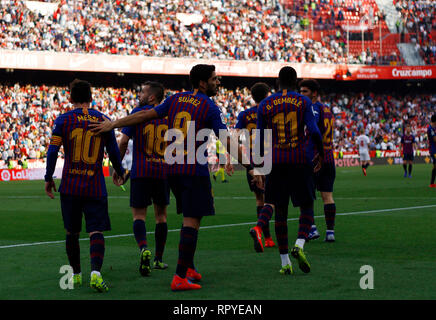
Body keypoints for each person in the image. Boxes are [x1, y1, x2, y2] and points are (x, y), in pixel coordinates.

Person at [89, 64, 260, 291]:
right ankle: (180, 277)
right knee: (192, 220)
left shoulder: (175, 99)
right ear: (202, 82)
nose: (218, 82)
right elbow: (226, 140)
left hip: (172, 170)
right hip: (192, 169)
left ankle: (188, 267)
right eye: (214, 79)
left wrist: (114, 123)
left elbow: (143, 115)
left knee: (189, 216)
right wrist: (251, 166)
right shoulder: (209, 107)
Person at [44, 79, 128, 293]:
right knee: (96, 230)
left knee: (71, 232)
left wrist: (48, 177)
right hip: (95, 185)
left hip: (70, 184)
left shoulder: (63, 121)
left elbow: (53, 151)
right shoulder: (103, 120)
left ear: (71, 98)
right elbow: (113, 152)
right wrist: (120, 172)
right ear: (91, 98)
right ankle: (96, 274)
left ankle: (76, 275)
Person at [250, 66, 324, 275]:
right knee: (307, 206)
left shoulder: (265, 104)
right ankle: (299, 244)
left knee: (279, 211)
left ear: (278, 81)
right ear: (296, 81)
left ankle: (284, 263)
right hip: (300, 159)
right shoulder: (303, 101)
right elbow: (315, 131)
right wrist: (320, 153)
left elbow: (260, 138)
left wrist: (258, 166)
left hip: (276, 161)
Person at [115, 81, 170, 276]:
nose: (140, 95)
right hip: (162, 172)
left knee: (139, 216)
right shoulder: (168, 116)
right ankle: (158, 259)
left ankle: (143, 248)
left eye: (143, 92)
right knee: (161, 216)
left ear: (152, 97)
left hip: (141, 172)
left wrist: (118, 167)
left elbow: (122, 143)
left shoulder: (137, 115)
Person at [235, 82, 275, 249]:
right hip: (271, 159)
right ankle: (264, 233)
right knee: (273, 199)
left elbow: (235, 136)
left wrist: (228, 159)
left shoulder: (245, 114)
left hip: (253, 161)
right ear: (267, 95)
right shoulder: (271, 111)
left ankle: (267, 238)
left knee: (259, 199)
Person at [299, 79, 336, 242]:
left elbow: (313, 131)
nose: (301, 94)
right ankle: (330, 232)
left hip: (314, 157)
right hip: (328, 156)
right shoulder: (327, 109)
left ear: (314, 93)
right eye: (300, 91)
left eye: (305, 91)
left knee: (306, 195)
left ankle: (311, 228)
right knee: (327, 196)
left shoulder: (312, 108)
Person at [428, 114, 436, 188]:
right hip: (433, 150)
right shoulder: (430, 129)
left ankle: (432, 183)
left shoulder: (433, 128)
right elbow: (435, 139)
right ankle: (432, 183)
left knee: (435, 166)